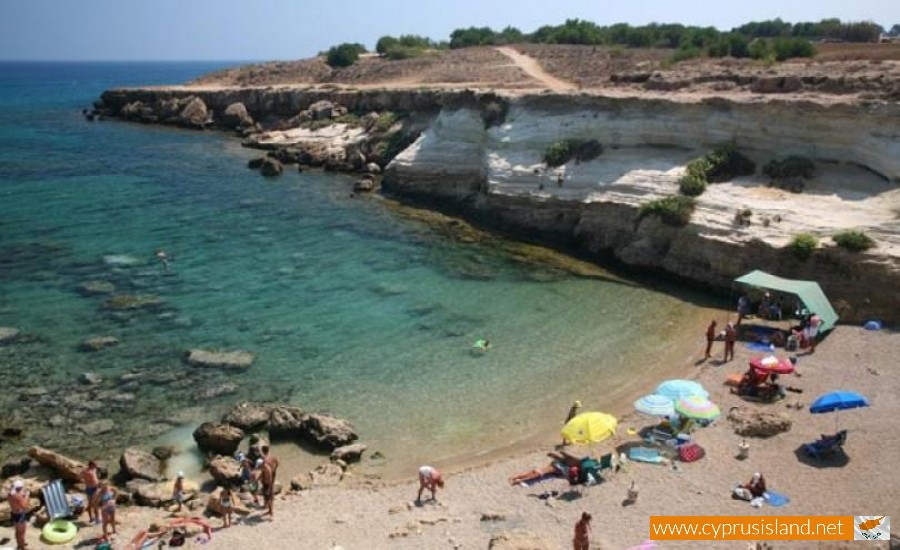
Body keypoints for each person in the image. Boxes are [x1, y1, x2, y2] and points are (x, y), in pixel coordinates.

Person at [8, 480, 30, 550]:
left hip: (13, 513)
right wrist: (26, 496)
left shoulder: (10, 494)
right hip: (20, 515)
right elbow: (25, 506)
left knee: (17, 532)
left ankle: (19, 544)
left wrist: (22, 495)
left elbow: (15, 501)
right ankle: (23, 548)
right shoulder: (18, 496)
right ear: (19, 488)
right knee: (22, 534)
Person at [81, 460, 100, 525]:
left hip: (91, 488)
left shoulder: (92, 470)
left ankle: (92, 518)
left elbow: (80, 476)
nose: (96, 465)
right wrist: (87, 481)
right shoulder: (88, 472)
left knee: (91, 504)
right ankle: (97, 520)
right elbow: (80, 476)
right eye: (95, 464)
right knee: (95, 504)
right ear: (91, 465)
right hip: (93, 489)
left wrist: (85, 481)